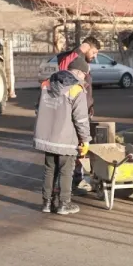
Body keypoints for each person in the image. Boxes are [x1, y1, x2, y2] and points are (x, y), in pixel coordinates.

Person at [34, 68, 92, 215]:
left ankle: (47, 203)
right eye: (83, 76)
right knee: (66, 171)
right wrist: (85, 140)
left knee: (49, 170)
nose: (84, 80)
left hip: (47, 138)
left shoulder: (47, 84)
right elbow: (81, 119)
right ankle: (64, 204)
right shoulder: (76, 89)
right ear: (78, 73)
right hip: (66, 139)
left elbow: (37, 109)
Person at [56, 36, 101, 190]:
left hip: (84, 110)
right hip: (73, 111)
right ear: (86, 47)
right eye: (94, 52)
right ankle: (69, 181)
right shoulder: (73, 57)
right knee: (75, 146)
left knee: (81, 146)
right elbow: (63, 67)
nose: (95, 57)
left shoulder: (83, 61)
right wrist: (79, 50)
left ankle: (77, 177)